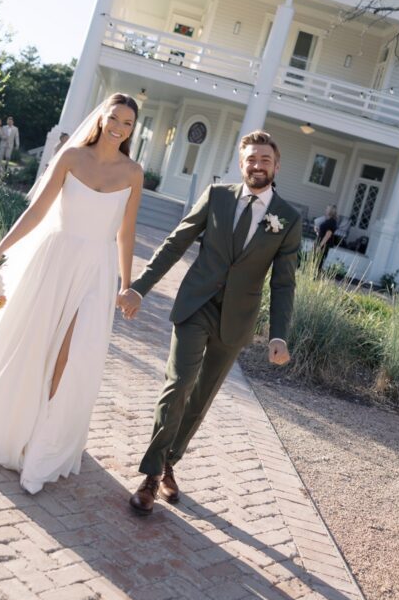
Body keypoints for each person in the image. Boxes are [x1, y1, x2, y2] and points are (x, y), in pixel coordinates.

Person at [0, 94, 143, 494]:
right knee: (33, 343)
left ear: (133, 130)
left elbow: (125, 232)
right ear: (101, 118)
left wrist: (126, 284)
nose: (119, 127)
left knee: (71, 353)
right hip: (53, 260)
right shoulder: (72, 157)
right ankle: (13, 430)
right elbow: (37, 211)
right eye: (114, 118)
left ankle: (41, 449)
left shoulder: (133, 173)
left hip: (95, 271)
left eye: (128, 123)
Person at [118, 130, 302, 515]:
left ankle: (170, 462)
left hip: (236, 319)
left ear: (276, 165)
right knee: (179, 384)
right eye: (251, 159)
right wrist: (139, 288)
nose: (257, 165)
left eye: (265, 160)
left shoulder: (287, 218)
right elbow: (176, 243)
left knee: (201, 397)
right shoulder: (217, 197)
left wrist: (279, 336)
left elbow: (284, 282)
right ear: (241, 163)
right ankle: (151, 475)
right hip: (195, 306)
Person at [314, 204, 339, 272]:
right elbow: (323, 234)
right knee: (314, 262)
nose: (325, 210)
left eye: (327, 209)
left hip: (323, 246)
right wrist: (317, 231)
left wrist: (320, 246)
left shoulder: (332, 222)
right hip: (320, 243)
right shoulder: (327, 220)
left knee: (318, 264)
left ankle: (316, 276)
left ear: (331, 211)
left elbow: (328, 235)